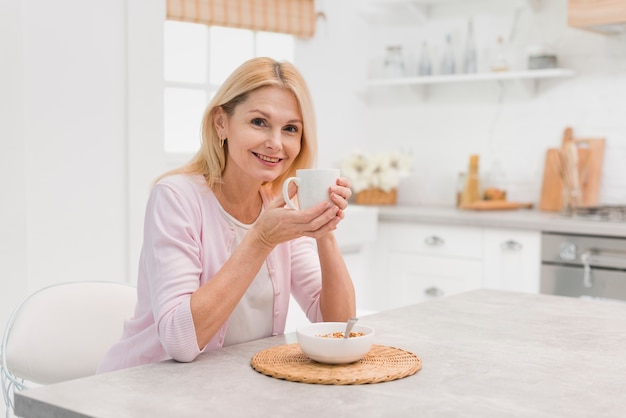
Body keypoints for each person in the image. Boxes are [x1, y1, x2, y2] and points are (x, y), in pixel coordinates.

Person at [98, 57, 356, 373]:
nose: (275, 143)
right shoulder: (175, 197)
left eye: (290, 129)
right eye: (259, 122)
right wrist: (261, 239)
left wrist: (324, 228)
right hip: (147, 389)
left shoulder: (282, 204)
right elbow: (180, 342)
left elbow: (339, 328)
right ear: (222, 123)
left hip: (229, 388)